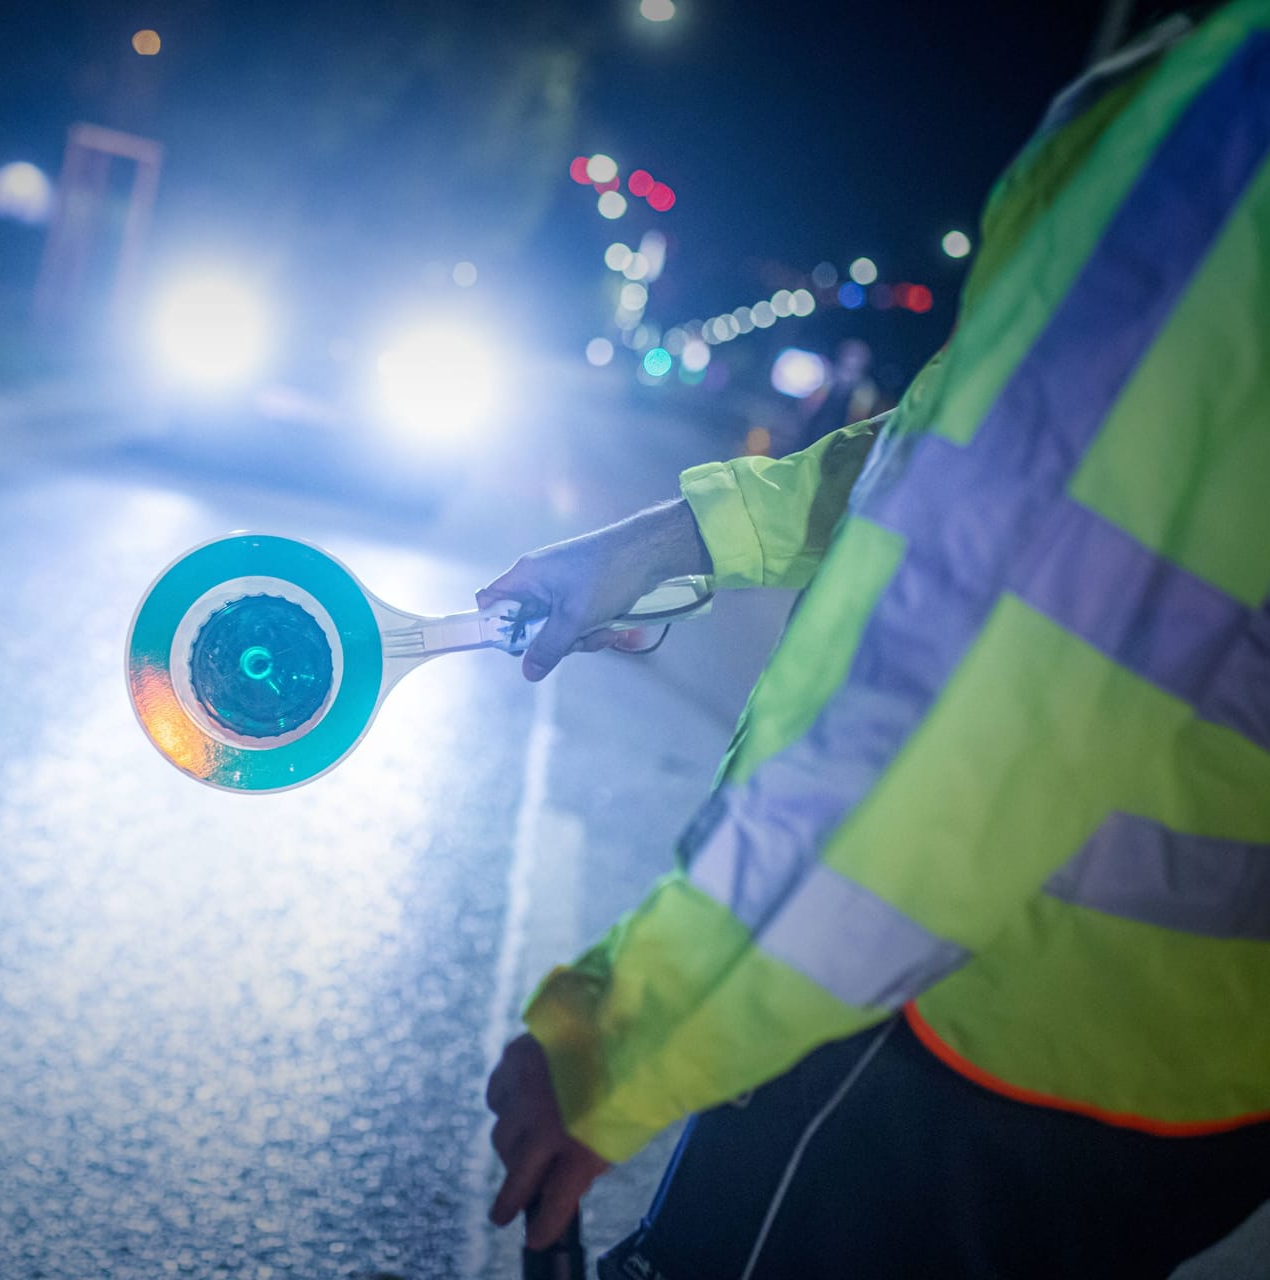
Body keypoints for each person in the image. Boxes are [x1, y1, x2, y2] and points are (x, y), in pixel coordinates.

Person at [480, 4, 1270, 1276]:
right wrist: (664, 541)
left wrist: (622, 1033)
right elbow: (972, 458)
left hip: (968, 1024)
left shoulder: (1242, 129)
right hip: (1166, 1068)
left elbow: (984, 679)